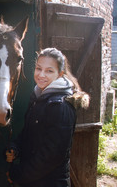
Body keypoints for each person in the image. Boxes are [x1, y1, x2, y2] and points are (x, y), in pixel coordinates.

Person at [5, 47, 90, 187]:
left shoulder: (61, 105)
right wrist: (15, 148)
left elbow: (51, 156)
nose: (41, 75)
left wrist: (18, 174)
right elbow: (29, 134)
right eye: (39, 68)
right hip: (33, 181)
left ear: (60, 74)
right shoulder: (39, 97)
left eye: (49, 71)